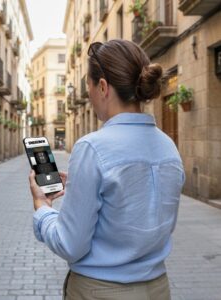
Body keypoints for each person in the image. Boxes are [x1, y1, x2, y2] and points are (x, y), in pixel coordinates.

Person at [28, 39, 185, 300]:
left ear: (102, 87)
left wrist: (42, 208)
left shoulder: (92, 147)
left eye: (89, 86)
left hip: (100, 290)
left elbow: (70, 244)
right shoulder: (168, 146)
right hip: (158, 288)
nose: (88, 96)